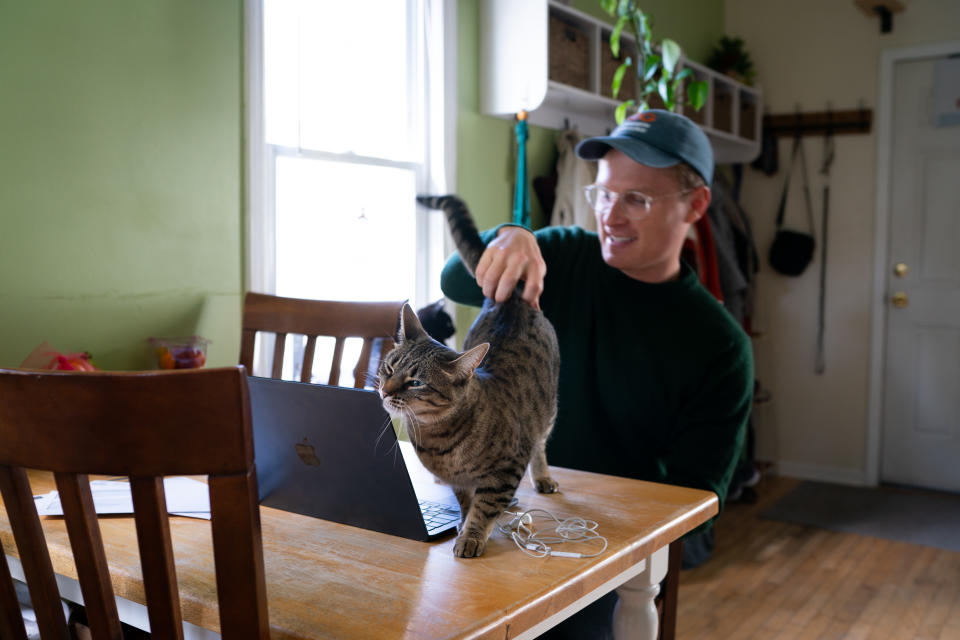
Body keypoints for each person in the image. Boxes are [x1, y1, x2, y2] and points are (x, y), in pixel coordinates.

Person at [440, 109, 753, 638]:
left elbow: (694, 513)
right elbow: (457, 281)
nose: (611, 216)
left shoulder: (720, 346)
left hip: (598, 551)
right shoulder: (564, 257)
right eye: (604, 194)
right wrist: (513, 235)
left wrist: (580, 535)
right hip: (502, 511)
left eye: (637, 199)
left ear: (695, 205)